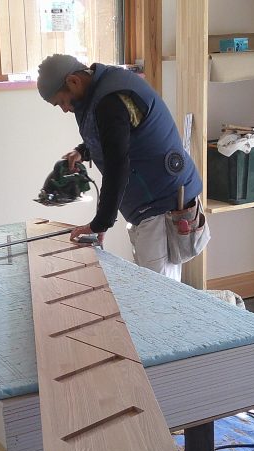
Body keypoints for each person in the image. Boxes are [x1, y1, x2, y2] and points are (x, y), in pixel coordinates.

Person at [36, 54, 208, 281]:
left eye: (62, 102)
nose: (65, 109)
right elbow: (113, 135)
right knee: (152, 284)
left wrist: (100, 223)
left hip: (161, 201)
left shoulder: (111, 100)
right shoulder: (96, 91)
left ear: (73, 81)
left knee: (159, 289)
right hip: (148, 202)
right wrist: (82, 151)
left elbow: (117, 165)